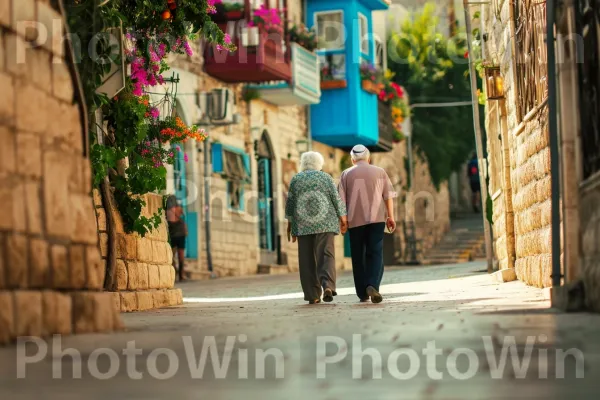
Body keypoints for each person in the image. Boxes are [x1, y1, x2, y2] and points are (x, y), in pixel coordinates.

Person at [285, 151, 348, 304]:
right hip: (325, 223)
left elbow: (290, 204)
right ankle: (327, 286)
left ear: (303, 163)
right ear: (319, 164)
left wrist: (290, 225)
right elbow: (336, 198)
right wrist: (343, 219)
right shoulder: (326, 178)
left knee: (306, 260)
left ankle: (312, 295)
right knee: (326, 255)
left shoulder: (296, 179)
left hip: (303, 224)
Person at [338, 145, 397, 303]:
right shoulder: (380, 172)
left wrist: (343, 221)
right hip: (376, 219)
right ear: (368, 158)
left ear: (352, 159)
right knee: (375, 252)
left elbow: (341, 201)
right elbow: (388, 196)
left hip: (355, 221)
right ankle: (373, 285)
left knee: (358, 256)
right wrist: (390, 216)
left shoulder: (346, 174)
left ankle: (362, 293)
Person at [166, 196, 188, 281]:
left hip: (172, 234)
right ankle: (181, 275)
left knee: (172, 255)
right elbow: (182, 215)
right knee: (180, 255)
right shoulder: (179, 209)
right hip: (180, 233)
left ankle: (174, 274)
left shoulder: (167, 211)